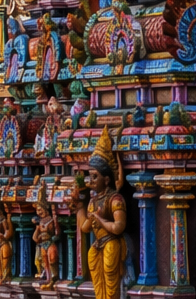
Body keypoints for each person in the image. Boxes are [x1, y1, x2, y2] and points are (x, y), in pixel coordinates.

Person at [72, 128, 126, 299]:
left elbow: (118, 227)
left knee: (111, 282)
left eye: (95, 177)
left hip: (111, 243)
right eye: (90, 176)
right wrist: (80, 206)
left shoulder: (115, 199)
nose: (91, 181)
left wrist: (100, 219)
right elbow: (86, 228)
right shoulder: (93, 202)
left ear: (107, 179)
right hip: (97, 246)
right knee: (98, 283)